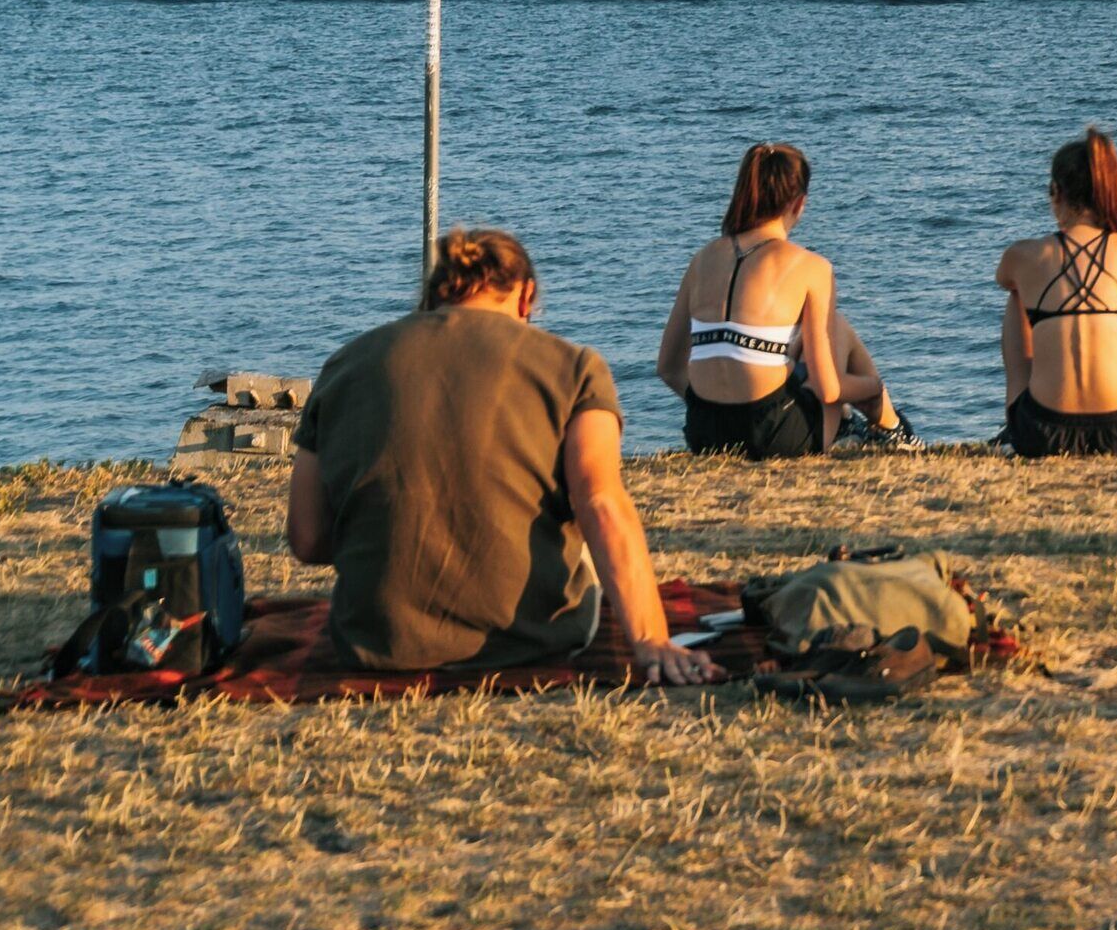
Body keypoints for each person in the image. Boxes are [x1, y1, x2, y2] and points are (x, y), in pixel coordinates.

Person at [288, 229, 716, 682]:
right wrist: (650, 639)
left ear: (432, 295)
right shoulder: (574, 367)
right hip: (528, 642)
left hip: (377, 642)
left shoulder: (344, 365)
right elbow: (601, 504)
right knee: (581, 546)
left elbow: (307, 538)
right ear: (526, 295)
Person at [653, 142, 914, 458]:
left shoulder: (702, 260)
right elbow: (827, 387)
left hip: (704, 432)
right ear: (799, 203)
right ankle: (891, 429)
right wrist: (872, 387)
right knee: (838, 329)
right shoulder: (811, 267)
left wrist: (714, 406)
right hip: (775, 434)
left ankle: (853, 423)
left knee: (783, 346)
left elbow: (668, 368)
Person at [993, 127, 1117, 456]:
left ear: (1056, 192)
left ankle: (1011, 429)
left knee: (1017, 294)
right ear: (1112, 191)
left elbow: (1004, 278)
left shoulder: (1022, 254)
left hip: (1040, 434)